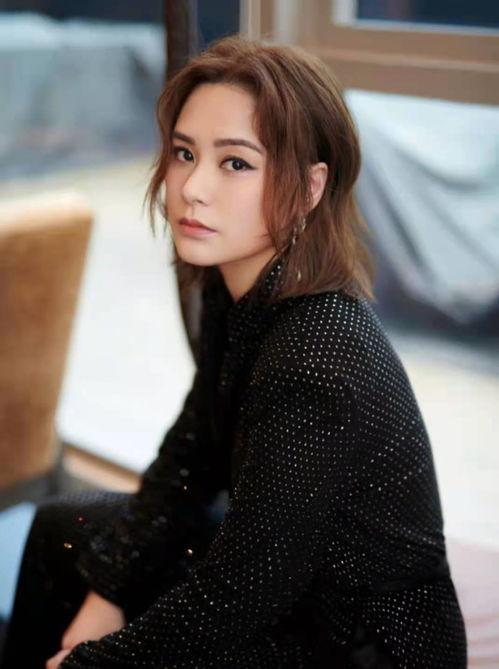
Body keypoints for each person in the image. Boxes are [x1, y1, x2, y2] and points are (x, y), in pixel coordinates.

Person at [0, 35, 467, 669]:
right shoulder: (237, 287)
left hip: (354, 642)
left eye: (236, 163)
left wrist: (95, 663)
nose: (192, 188)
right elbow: (190, 458)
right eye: (184, 153)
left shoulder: (317, 357)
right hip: (286, 586)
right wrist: (109, 590)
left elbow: (239, 596)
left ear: (309, 188)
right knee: (64, 530)